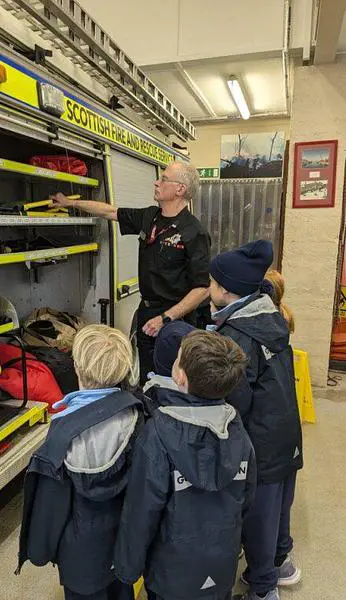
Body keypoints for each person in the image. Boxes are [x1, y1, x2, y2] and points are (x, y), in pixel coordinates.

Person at [114, 329, 256, 600]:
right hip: (221, 566)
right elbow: (246, 499)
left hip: (171, 574)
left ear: (180, 377)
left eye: (178, 359)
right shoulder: (238, 431)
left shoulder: (157, 434)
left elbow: (141, 511)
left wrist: (127, 568)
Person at [52, 161, 211, 384]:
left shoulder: (194, 232)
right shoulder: (150, 217)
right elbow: (109, 211)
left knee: (173, 381)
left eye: (164, 179)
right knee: (147, 378)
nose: (156, 182)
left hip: (175, 320)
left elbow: (202, 289)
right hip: (148, 313)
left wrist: (166, 318)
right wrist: (70, 203)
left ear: (180, 189)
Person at [17, 324, 145, 600]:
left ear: (77, 368)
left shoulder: (62, 430)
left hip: (79, 554)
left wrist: (39, 548)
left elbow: (51, 502)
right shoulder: (138, 418)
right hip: (125, 542)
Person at [208, 240, 303, 600]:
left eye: (212, 282)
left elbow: (237, 400)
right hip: (285, 433)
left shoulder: (237, 335)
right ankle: (281, 562)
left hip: (260, 442)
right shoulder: (270, 317)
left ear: (226, 290)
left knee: (259, 516)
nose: (208, 287)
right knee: (279, 505)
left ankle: (264, 589)